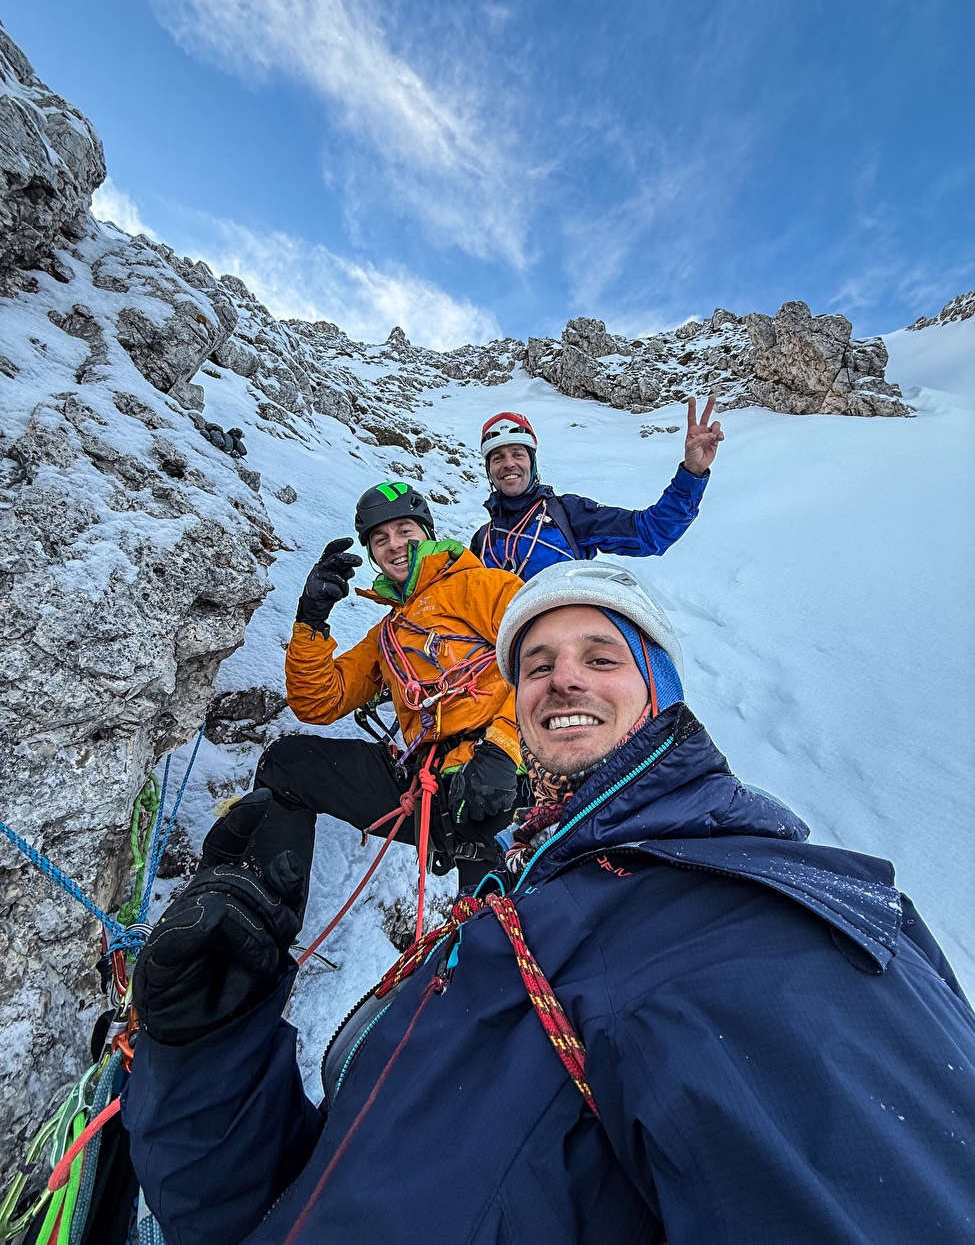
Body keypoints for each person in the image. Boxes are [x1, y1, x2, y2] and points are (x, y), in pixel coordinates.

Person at [123, 562, 975, 1245]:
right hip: (455, 797)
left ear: (662, 694)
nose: (562, 676)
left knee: (476, 848)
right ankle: (246, 916)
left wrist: (491, 747)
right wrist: (209, 1047)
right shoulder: (517, 930)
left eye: (601, 659)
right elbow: (317, 1197)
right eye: (540, 665)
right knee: (294, 772)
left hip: (477, 778)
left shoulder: (761, 923)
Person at [248, 479, 524, 892]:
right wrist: (311, 619)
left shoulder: (483, 586)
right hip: (427, 784)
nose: (393, 545)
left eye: (404, 532)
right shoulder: (388, 635)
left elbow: (546, 660)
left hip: (500, 776)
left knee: (493, 924)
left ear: (427, 534)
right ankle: (257, 926)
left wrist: (505, 748)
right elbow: (320, 702)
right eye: (380, 539)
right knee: (287, 765)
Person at [470, 399, 723, 578]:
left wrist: (692, 473)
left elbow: (651, 533)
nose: (509, 464)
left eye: (517, 454)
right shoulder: (483, 540)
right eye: (498, 458)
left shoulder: (567, 512)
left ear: (532, 464)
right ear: (490, 470)